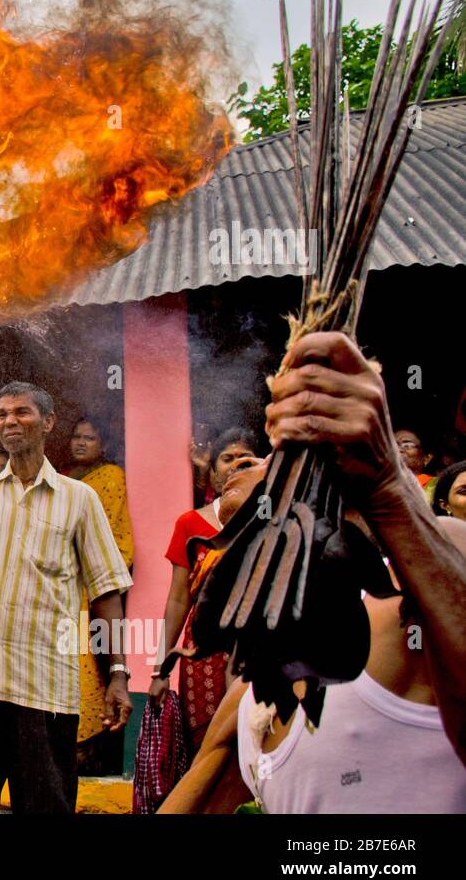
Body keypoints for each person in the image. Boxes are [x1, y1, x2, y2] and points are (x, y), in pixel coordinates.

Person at [159, 332, 466, 811]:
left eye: (266, 456)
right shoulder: (257, 681)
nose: (246, 461)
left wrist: (387, 485)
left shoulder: (426, 565)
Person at [0, 382, 131, 814]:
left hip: (46, 691)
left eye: (22, 412)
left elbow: (106, 593)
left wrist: (118, 674)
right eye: (2, 414)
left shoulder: (80, 500)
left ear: (48, 422)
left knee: (45, 807)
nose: (9, 422)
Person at [149, 426, 259, 748]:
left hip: (258, 642)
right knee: (208, 748)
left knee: (255, 738)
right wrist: (160, 670)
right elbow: (178, 600)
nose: (237, 464)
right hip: (202, 652)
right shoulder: (190, 524)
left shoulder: (274, 517)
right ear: (212, 472)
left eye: (246, 459)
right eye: (227, 459)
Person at [64, 415, 134, 765]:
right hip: (58, 582)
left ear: (103, 445)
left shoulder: (112, 479)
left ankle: (87, 743)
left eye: (89, 438)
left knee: (84, 661)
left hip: (91, 584)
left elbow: (117, 538)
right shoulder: (60, 479)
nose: (80, 443)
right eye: (76, 436)